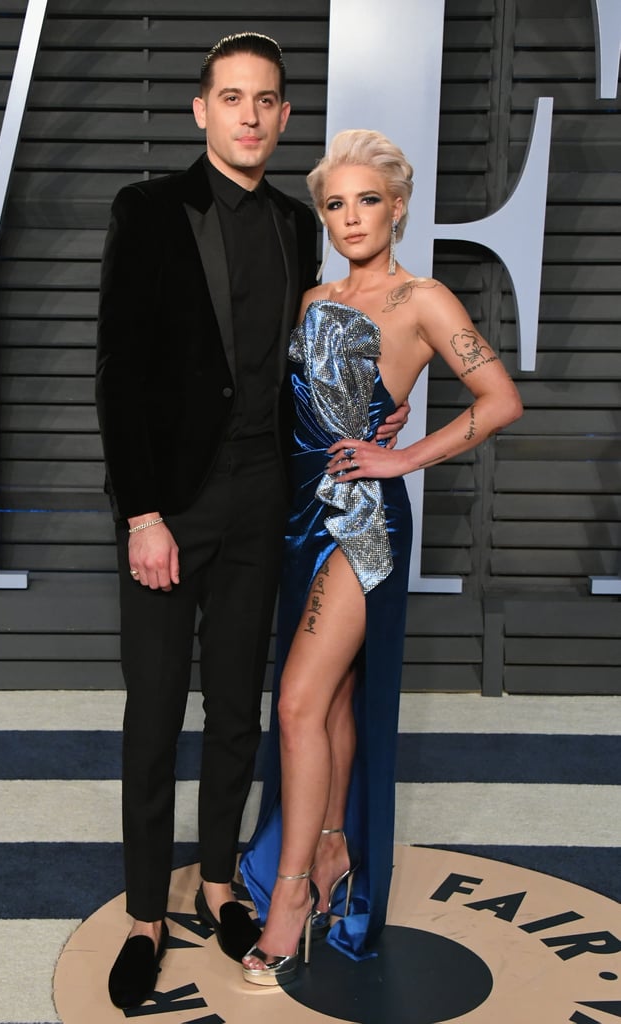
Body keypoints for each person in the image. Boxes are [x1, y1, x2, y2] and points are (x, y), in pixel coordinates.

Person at [95, 37, 407, 1009]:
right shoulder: (146, 212)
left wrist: (374, 411)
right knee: (153, 713)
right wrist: (142, 512)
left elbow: (306, 361)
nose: (247, 115)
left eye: (265, 101)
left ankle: (222, 885)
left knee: (236, 711)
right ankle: (148, 912)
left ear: (281, 117)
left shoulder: (291, 223)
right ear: (201, 110)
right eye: (230, 97)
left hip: (264, 499)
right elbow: (118, 373)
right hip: (171, 508)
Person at [240, 129, 523, 985]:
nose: (351, 216)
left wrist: (401, 454)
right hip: (298, 518)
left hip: (361, 524)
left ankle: (289, 898)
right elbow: (307, 405)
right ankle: (329, 851)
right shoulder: (314, 296)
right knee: (327, 704)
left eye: (368, 199)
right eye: (335, 203)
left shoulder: (423, 299)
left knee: (294, 704)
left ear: (398, 206)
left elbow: (499, 398)